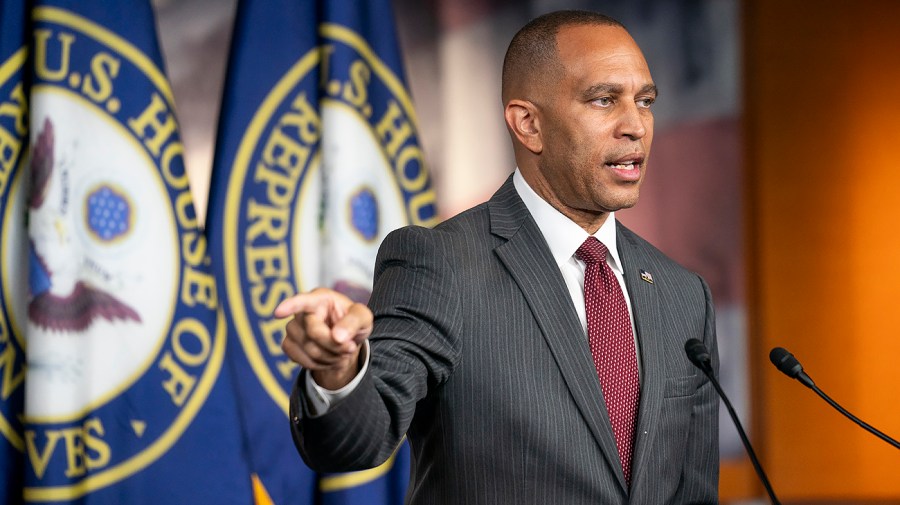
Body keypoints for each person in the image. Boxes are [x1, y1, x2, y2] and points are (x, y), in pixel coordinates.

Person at [275, 9, 719, 504]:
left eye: (645, 101)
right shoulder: (440, 262)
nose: (636, 125)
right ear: (528, 124)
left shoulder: (683, 294)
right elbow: (355, 441)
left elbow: (694, 492)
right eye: (603, 100)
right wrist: (339, 371)